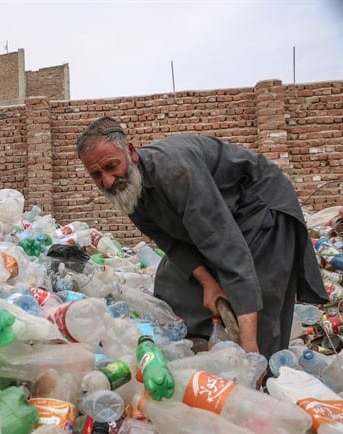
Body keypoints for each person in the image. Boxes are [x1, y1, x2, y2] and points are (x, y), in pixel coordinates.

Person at [77, 116, 327, 358]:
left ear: (131, 152)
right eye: (96, 175)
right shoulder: (128, 193)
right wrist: (209, 284)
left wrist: (251, 345)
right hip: (223, 217)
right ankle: (208, 349)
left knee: (258, 292)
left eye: (111, 166)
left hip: (261, 204)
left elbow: (227, 249)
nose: (108, 181)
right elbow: (171, 244)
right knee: (172, 280)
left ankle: (259, 366)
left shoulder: (176, 172)